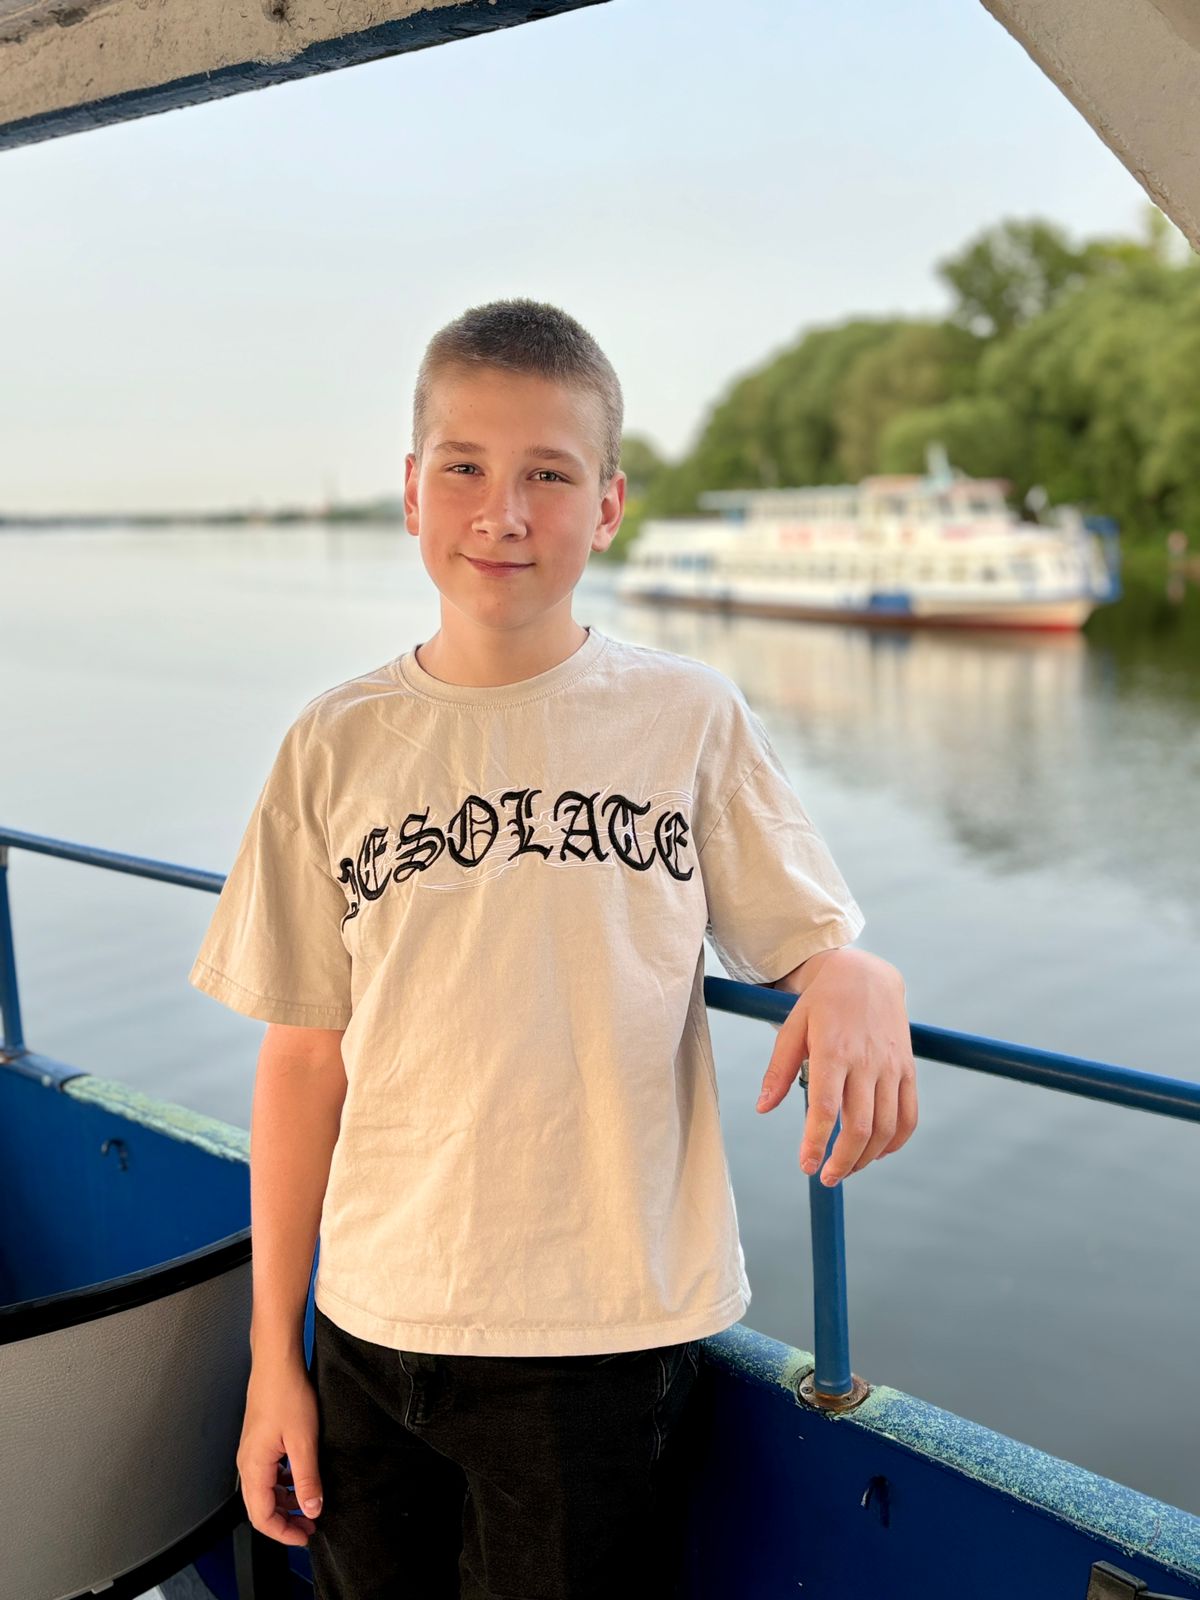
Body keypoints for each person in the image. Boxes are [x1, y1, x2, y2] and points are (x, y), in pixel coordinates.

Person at [188, 297, 917, 1600]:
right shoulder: (334, 743)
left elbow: (808, 938)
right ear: (411, 492)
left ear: (611, 504)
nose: (503, 513)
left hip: (599, 1344)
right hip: (369, 1327)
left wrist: (857, 972)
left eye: (549, 475)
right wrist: (272, 1360)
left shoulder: (685, 718)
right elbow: (302, 1060)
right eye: (465, 468)